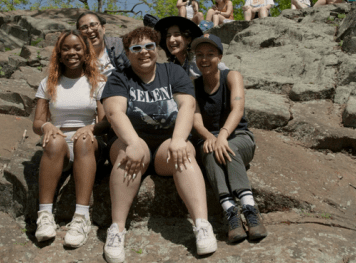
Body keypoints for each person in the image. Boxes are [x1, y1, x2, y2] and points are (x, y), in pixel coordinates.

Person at [101, 26, 217, 263]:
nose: (144, 52)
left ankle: (202, 225)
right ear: (127, 52)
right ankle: (117, 230)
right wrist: (132, 142)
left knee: (184, 153)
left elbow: (187, 105)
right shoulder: (119, 78)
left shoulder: (172, 72)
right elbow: (114, 112)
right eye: (136, 48)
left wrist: (178, 140)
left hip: (167, 143)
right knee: (129, 155)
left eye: (149, 46)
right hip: (130, 142)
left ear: (157, 49)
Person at [33, 30, 109, 247]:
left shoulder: (98, 81)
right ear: (59, 52)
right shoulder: (48, 82)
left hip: (89, 142)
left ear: (86, 53)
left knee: (83, 140)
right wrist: (47, 125)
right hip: (58, 144)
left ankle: (81, 217)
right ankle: (45, 216)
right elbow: (37, 123)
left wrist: (91, 128)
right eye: (66, 48)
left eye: (77, 48)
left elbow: (105, 122)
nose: (72, 53)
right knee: (55, 140)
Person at [191, 33, 268, 243]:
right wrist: (209, 136)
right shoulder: (193, 85)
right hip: (209, 138)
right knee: (210, 153)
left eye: (210, 54)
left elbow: (238, 108)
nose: (204, 59)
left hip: (238, 135)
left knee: (228, 149)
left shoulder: (232, 75)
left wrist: (223, 135)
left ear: (220, 56)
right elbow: (196, 120)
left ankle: (250, 210)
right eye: (199, 55)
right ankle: (231, 212)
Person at [154, 16, 227, 79]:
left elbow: (226, 72)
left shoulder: (197, 59)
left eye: (176, 35)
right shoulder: (174, 65)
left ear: (188, 39)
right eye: (168, 36)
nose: (171, 40)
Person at [76, 11, 130, 77]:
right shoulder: (76, 55)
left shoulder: (119, 45)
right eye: (84, 28)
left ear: (103, 28)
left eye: (93, 25)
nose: (89, 30)